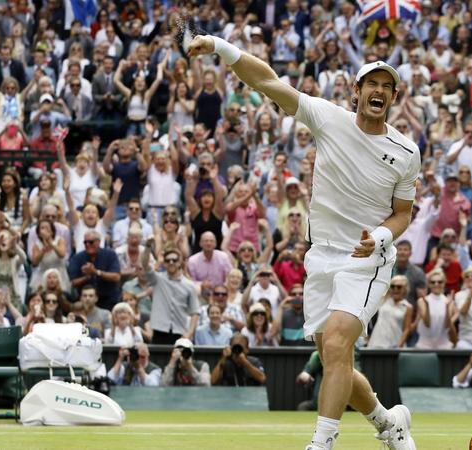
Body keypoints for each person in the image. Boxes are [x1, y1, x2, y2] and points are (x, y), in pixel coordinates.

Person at [187, 35, 419, 450]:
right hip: (322, 255)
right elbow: (268, 82)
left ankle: (321, 443)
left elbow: (403, 212)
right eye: (373, 84)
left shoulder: (406, 151)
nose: (379, 91)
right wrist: (221, 47)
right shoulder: (327, 117)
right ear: (357, 91)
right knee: (335, 360)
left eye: (387, 86)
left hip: (368, 261)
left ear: (394, 96)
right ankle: (388, 421)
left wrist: (382, 236)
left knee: (336, 343)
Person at [143, 244, 200, 345]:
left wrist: (189, 333)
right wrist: (147, 247)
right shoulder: (158, 279)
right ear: (164, 263)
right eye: (168, 260)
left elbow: (195, 312)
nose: (171, 262)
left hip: (180, 332)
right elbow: (145, 265)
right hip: (159, 331)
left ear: (180, 263)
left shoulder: (189, 285)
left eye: (174, 260)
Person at [68, 230, 122, 310]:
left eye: (91, 242)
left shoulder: (110, 255)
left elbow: (116, 277)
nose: (87, 245)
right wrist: (87, 277)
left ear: (98, 242)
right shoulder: (77, 258)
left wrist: (96, 272)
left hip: (108, 299)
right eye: (85, 242)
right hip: (85, 300)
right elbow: (74, 282)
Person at [367, 275, 414, 349]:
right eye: (392, 286)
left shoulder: (408, 307)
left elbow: (406, 329)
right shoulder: (383, 299)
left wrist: (399, 345)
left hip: (395, 344)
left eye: (399, 287)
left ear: (405, 289)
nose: (395, 289)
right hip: (376, 343)